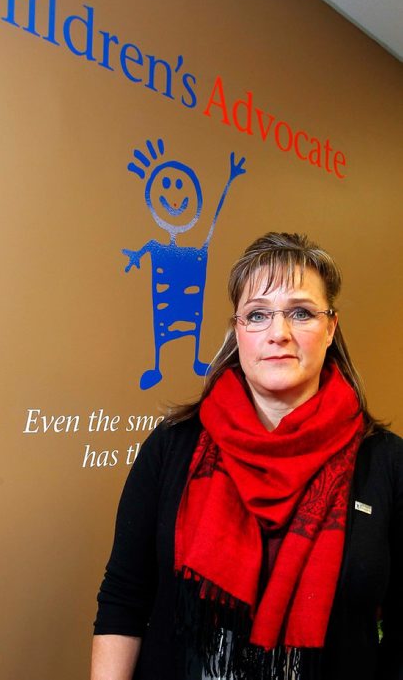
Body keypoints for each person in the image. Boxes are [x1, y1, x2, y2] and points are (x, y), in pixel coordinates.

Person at [92, 232, 402, 680]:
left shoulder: (386, 463)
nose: (279, 333)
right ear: (238, 329)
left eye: (300, 312)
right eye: (257, 314)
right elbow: (124, 599)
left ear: (331, 327)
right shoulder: (174, 445)